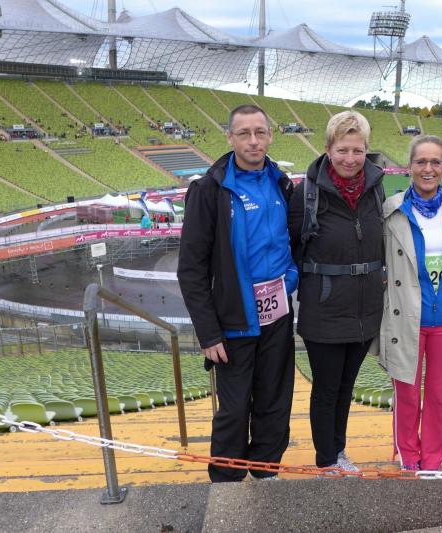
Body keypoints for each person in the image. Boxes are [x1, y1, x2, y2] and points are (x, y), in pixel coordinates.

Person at [177, 104, 298, 482]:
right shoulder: (208, 190)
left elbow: (292, 243)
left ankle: (266, 472)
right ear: (230, 138)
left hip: (278, 315)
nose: (253, 141)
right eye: (244, 133)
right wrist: (208, 333)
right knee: (233, 410)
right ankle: (227, 483)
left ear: (270, 136)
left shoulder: (282, 183)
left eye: (260, 132)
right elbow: (191, 269)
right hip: (234, 321)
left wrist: (291, 278)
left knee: (274, 401)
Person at [288, 111, 384, 473]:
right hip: (324, 310)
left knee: (346, 386)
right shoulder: (307, 193)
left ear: (366, 150)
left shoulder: (375, 189)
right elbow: (291, 247)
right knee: (327, 388)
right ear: (328, 149)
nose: (350, 158)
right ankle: (326, 459)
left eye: (357, 150)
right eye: (343, 150)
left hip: (365, 309)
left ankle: (339, 451)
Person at [377, 135, 442, 471]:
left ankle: (433, 461)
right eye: (421, 161)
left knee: (439, 396)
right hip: (407, 318)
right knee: (407, 395)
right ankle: (409, 458)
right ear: (410, 167)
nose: (428, 168)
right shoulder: (392, 211)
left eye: (436, 162)